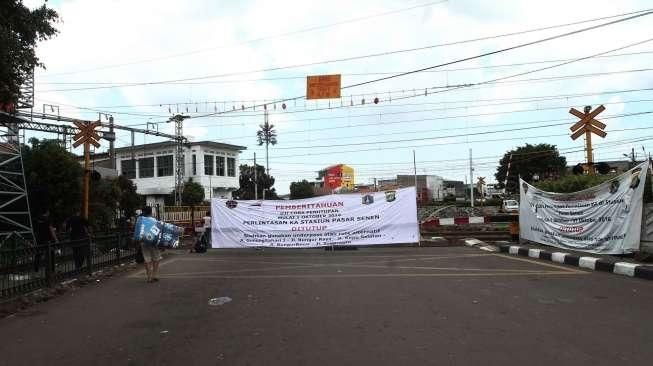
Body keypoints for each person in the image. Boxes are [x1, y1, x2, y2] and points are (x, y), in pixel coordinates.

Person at [136, 206, 162, 283]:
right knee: (156, 258)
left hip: (143, 241)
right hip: (153, 241)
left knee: (147, 259)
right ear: (151, 212)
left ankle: (149, 277)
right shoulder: (154, 220)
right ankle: (155, 275)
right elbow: (158, 231)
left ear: (143, 212)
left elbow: (137, 232)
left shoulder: (139, 220)